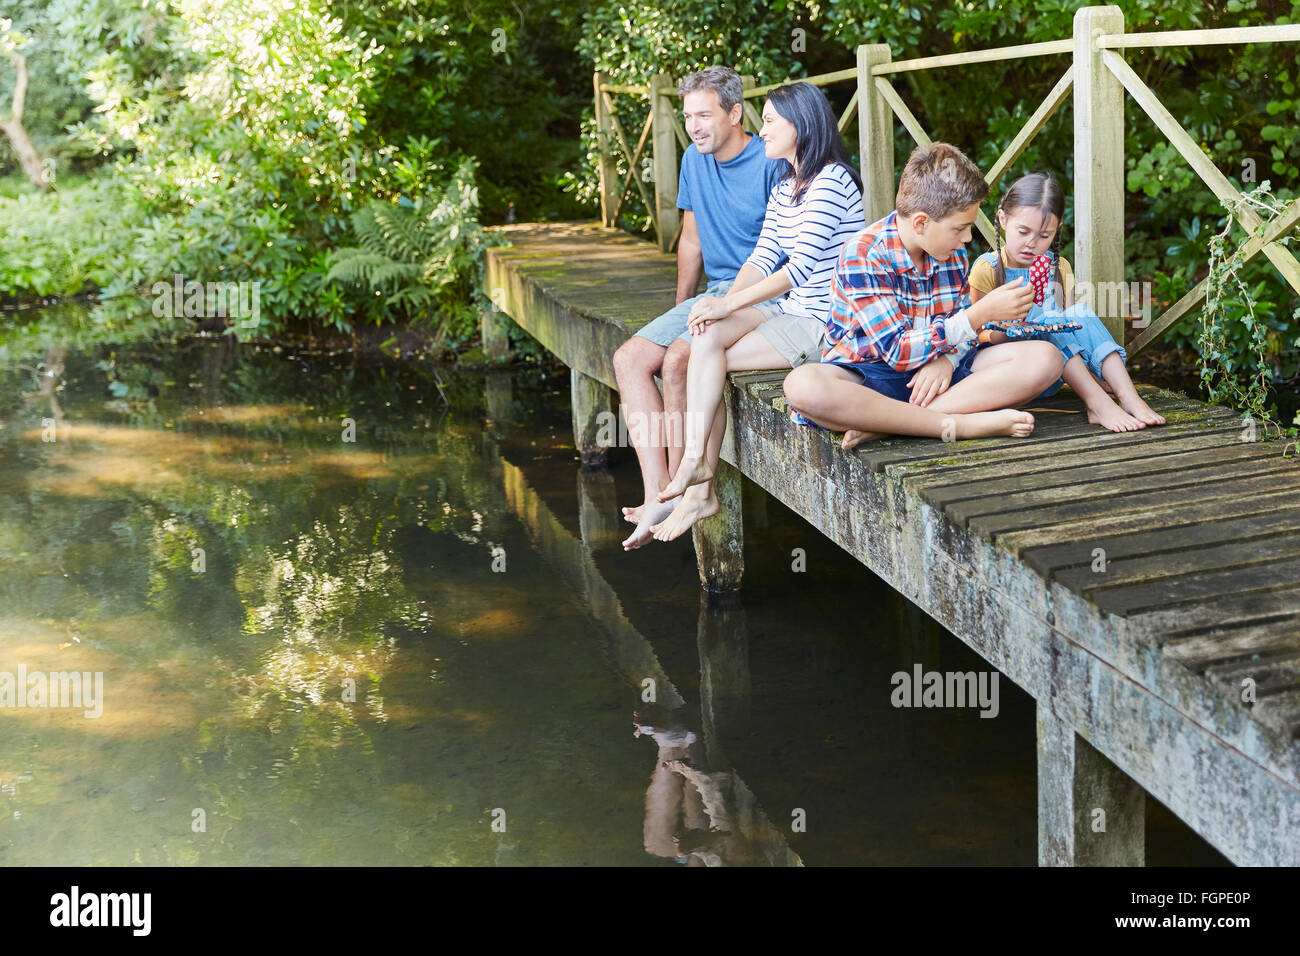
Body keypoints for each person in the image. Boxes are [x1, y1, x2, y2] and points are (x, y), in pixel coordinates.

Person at [647, 81, 866, 542]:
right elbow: (765, 256)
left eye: (769, 121)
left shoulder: (832, 180)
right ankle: (698, 472)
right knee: (705, 336)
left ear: (800, 125)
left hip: (823, 323)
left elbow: (801, 268)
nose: (761, 131)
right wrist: (717, 306)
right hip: (790, 311)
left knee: (712, 354)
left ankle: (698, 478)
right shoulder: (788, 186)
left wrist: (728, 302)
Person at [782, 143, 1062, 446]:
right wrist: (980, 314)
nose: (968, 238)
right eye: (961, 228)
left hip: (936, 381)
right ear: (921, 222)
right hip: (872, 379)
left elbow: (963, 334)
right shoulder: (863, 254)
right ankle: (958, 424)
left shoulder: (953, 254)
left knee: (1046, 358)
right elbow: (898, 352)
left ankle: (891, 424)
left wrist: (947, 361)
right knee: (803, 385)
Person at [612, 66, 784, 551]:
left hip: (757, 293)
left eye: (704, 115)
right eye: (688, 116)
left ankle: (690, 490)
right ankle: (657, 493)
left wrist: (700, 323)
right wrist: (679, 310)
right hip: (711, 292)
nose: (695, 126)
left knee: (678, 361)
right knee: (629, 358)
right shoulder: (693, 158)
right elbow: (691, 240)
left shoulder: (770, 160)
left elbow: (784, 255)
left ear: (735, 112)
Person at [963, 172, 1166, 431]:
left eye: (1044, 235)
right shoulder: (987, 268)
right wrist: (1004, 333)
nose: (1031, 243)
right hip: (1013, 371)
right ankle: (1098, 404)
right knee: (1048, 320)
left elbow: (1073, 328)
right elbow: (972, 337)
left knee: (1075, 313)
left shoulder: (1058, 268)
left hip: (1056, 374)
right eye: (1023, 231)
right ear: (1003, 219)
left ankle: (1129, 397)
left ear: (1057, 231)